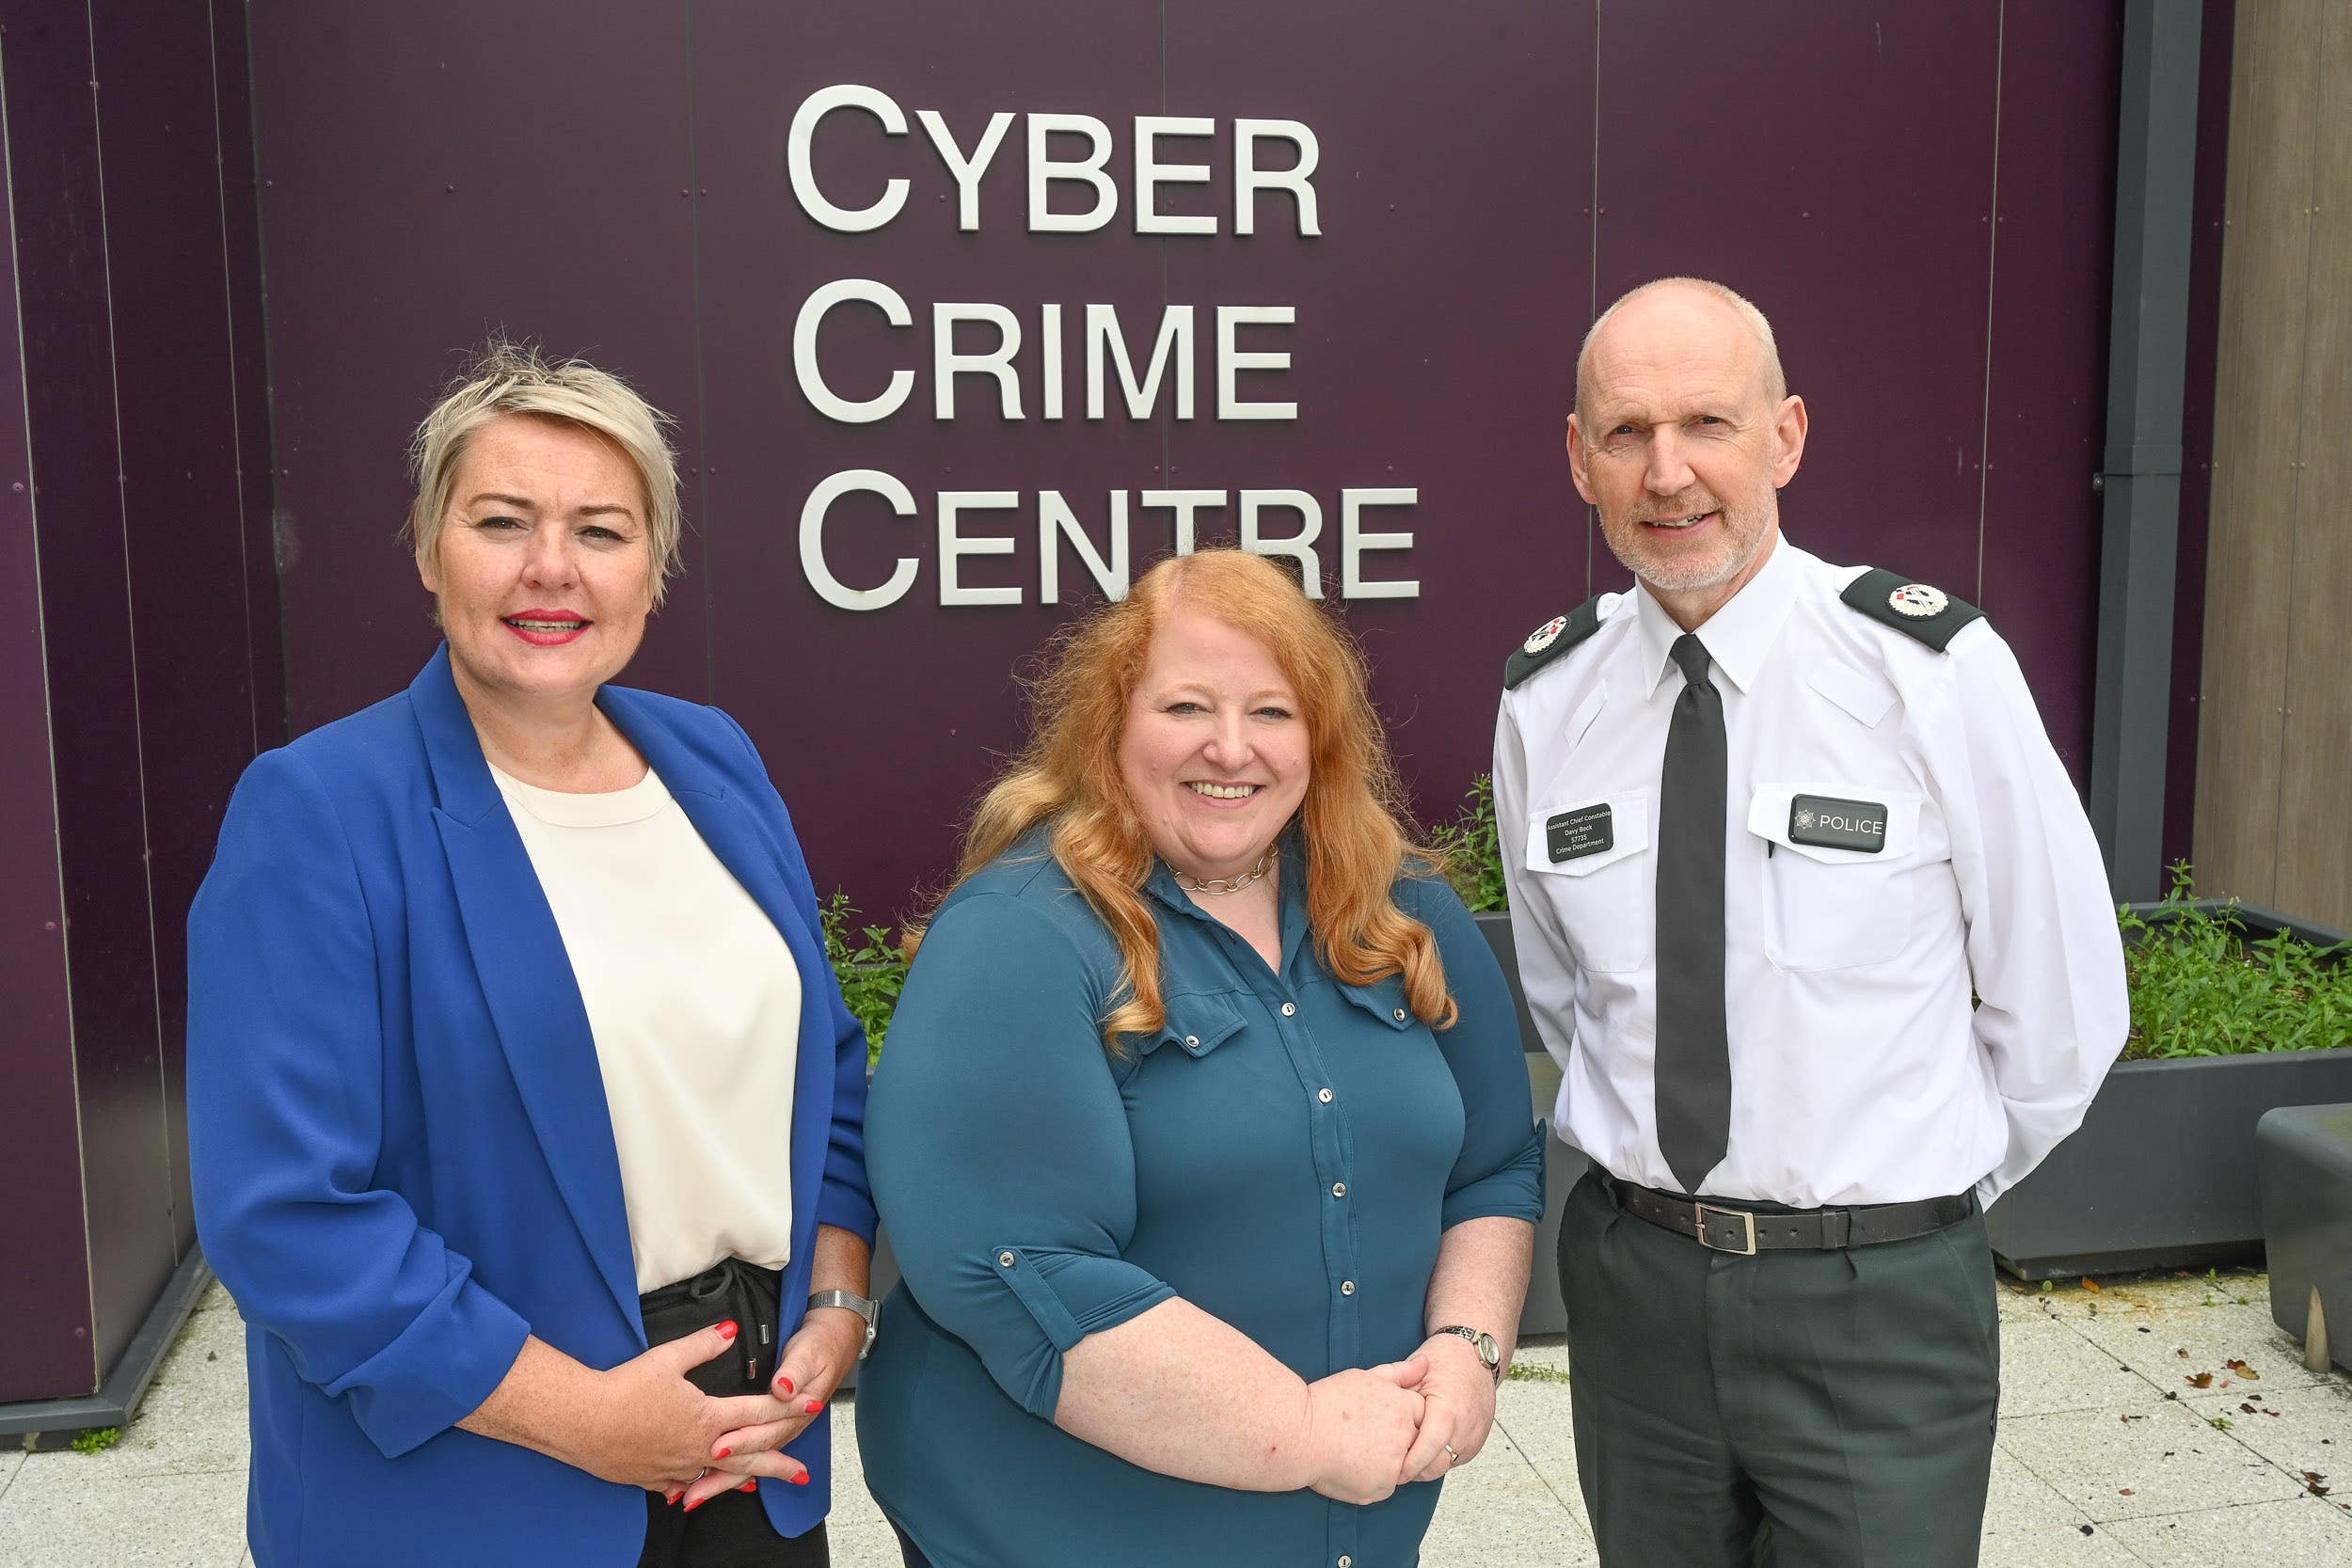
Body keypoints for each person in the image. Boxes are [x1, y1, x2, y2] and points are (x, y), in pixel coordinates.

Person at [187, 342, 879, 1567]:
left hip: (754, 1455)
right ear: (426, 547)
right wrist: (595, 1419)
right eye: (502, 520)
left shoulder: (712, 759)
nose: (550, 566)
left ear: (652, 568)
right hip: (477, 1484)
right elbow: (288, 1214)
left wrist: (834, 1297)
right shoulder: (318, 812)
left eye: (602, 530)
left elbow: (820, 1064)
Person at [1493, 277, 2131, 1566]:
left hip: (1876, 1305)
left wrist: (1896, 1204)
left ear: (1784, 435)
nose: (1667, 472)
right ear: (1578, 460)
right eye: (1625, 433)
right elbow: (1572, 1001)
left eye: (1708, 423)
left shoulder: (1929, 671)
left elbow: (2061, 1006)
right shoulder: (1544, 701)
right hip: (1638, 1292)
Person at [855, 548, 1546, 1568]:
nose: (1231, 748)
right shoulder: (1018, 932)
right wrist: (1309, 1434)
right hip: (1064, 1534)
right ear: (1110, 725)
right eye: (1185, 707)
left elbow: (1494, 1165)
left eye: (1271, 711)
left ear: (1319, 735)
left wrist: (1468, 1345)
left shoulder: (1401, 909)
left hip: (1356, 1523)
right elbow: (1017, 1271)